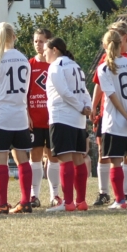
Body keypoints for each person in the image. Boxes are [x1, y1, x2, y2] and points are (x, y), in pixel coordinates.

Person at [90, 21, 127, 205]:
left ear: (105, 45)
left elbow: (112, 95)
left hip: (114, 122)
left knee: (115, 161)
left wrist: (126, 116)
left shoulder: (104, 67)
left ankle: (120, 200)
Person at [0, 23, 33, 215]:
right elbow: (26, 88)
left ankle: (2, 203)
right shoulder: (24, 59)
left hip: (0, 115)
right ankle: (25, 201)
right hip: (19, 114)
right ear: (14, 37)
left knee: (0, 159)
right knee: (22, 159)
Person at [44, 37, 92, 212]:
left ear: (55, 50)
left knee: (65, 159)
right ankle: (81, 201)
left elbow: (63, 92)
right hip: (78, 119)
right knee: (78, 159)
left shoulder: (56, 66)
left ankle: (69, 202)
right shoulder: (75, 65)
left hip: (62, 116)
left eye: (46, 49)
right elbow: (84, 91)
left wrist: (81, 106)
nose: (44, 53)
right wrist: (87, 106)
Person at [27, 27, 58, 208]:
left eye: (41, 41)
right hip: (35, 119)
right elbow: (24, 92)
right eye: (35, 41)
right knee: (35, 156)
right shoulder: (28, 65)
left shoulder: (55, 65)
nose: (38, 45)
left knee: (53, 157)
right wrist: (27, 114)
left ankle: (55, 195)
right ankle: (34, 195)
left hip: (53, 118)